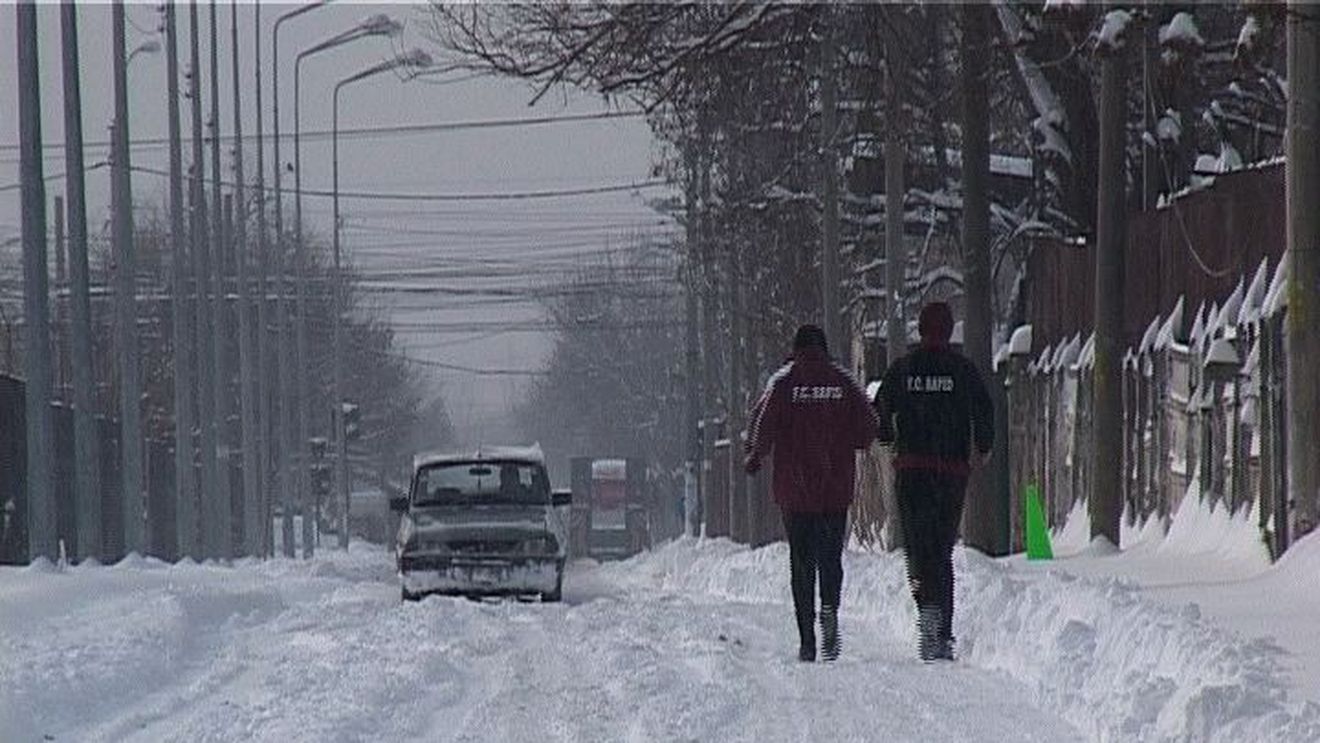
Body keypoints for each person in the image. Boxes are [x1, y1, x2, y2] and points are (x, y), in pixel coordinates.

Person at [745, 324, 877, 662]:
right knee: (831, 558)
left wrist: (755, 456)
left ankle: (807, 638)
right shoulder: (843, 381)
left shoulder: (784, 382)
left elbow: (762, 425)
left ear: (796, 348)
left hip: (795, 491)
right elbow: (868, 427)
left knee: (801, 564)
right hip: (834, 490)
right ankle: (830, 609)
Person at [875, 302, 994, 662]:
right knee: (941, 551)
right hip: (951, 473)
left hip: (911, 471)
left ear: (920, 329)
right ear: (949, 330)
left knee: (916, 549)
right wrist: (982, 446)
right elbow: (984, 409)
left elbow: (879, 407)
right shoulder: (962, 370)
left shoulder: (904, 369)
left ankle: (926, 608)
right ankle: (941, 631)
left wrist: (886, 438)